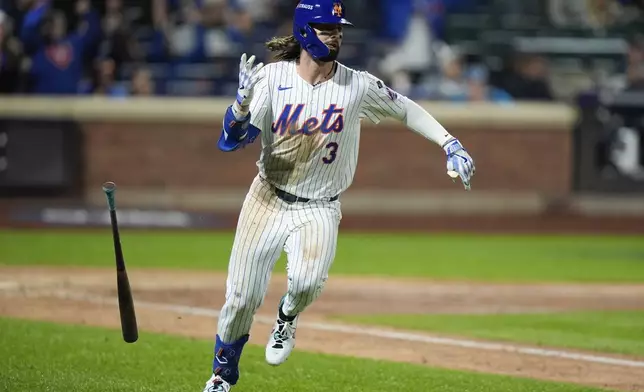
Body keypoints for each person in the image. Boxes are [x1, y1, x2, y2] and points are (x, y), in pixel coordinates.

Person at [201, 1, 476, 391]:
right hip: (267, 197)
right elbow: (232, 141)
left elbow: (406, 110)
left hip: (320, 205)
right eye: (327, 28)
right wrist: (239, 108)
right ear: (303, 31)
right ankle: (222, 376)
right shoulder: (271, 78)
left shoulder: (356, 84)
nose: (336, 36)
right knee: (241, 297)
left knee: (307, 283)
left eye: (338, 29)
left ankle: (286, 318)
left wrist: (449, 142)